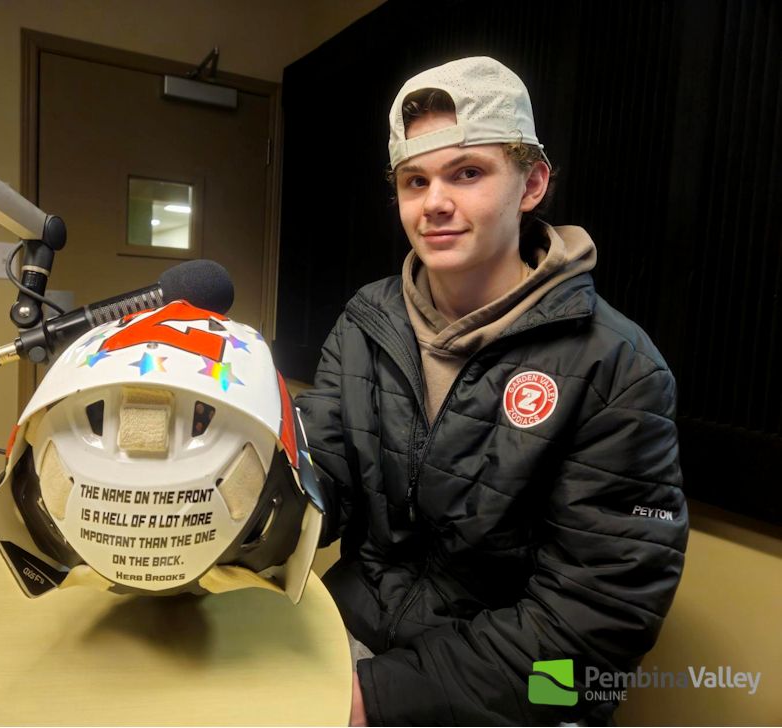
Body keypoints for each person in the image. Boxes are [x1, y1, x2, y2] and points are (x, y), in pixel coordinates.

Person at [295, 57, 688, 725]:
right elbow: (320, 483)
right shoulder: (368, 321)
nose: (435, 202)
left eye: (467, 173)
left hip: (525, 690)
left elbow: (596, 625)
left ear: (532, 183)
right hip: (356, 633)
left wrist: (378, 696)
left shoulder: (617, 367)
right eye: (414, 181)